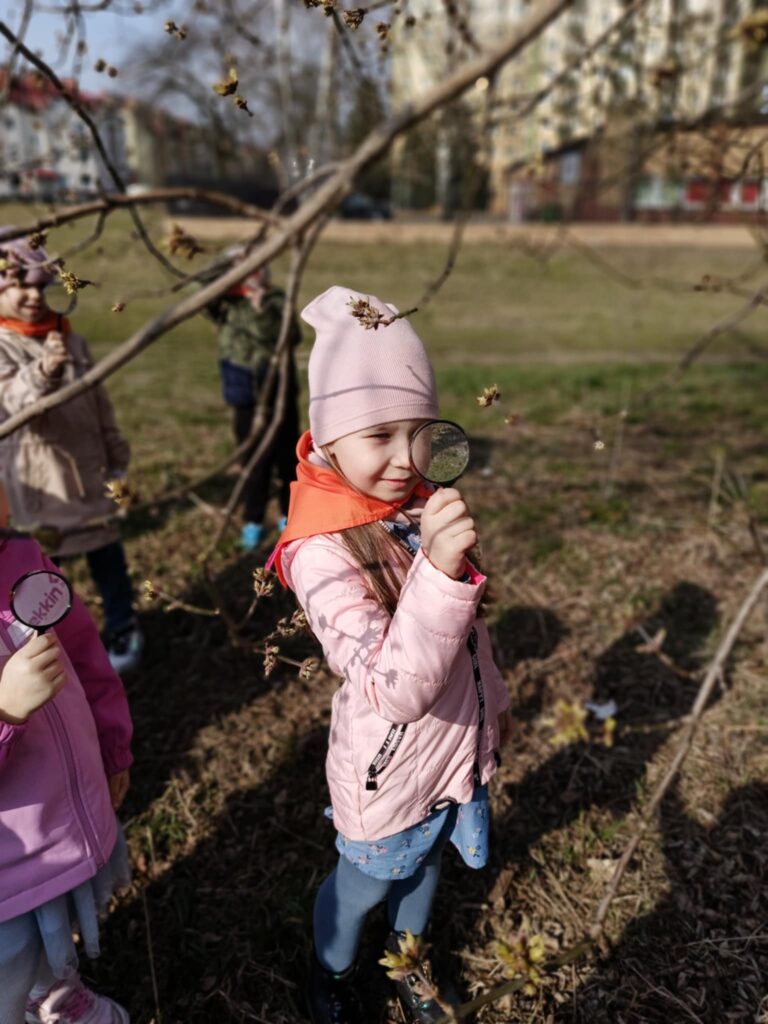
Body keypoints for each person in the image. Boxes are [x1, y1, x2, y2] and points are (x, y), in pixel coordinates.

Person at [268, 286, 513, 1024]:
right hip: (387, 772)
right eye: (378, 435)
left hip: (450, 754)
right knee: (365, 885)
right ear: (326, 438)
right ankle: (333, 972)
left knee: (428, 869)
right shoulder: (319, 551)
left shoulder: (406, 507)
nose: (404, 458)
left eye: (419, 431)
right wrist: (439, 572)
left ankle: (409, 964)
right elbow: (394, 687)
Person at [0, 479, 134, 1024]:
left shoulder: (24, 558)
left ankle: (55, 992)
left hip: (62, 814)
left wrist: (112, 743)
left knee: (54, 931)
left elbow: (83, 651)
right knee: (9, 960)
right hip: (11, 864)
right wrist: (5, 713)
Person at [0, 231, 143, 674]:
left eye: (40, 287)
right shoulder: (3, 345)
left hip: (88, 471)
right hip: (42, 485)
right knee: (41, 568)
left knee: (107, 556)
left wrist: (115, 449)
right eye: (17, 286)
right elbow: (8, 402)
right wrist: (42, 373)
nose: (31, 297)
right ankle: (43, 641)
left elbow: (98, 399)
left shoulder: (70, 339)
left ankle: (122, 625)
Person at [206, 258, 302, 551]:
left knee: (287, 459)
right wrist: (225, 268)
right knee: (253, 461)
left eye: (258, 269)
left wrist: (261, 309)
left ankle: (290, 515)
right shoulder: (227, 304)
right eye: (245, 271)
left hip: (278, 391)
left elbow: (292, 336)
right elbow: (201, 290)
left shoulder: (276, 300)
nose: (253, 276)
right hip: (244, 392)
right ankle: (253, 520)